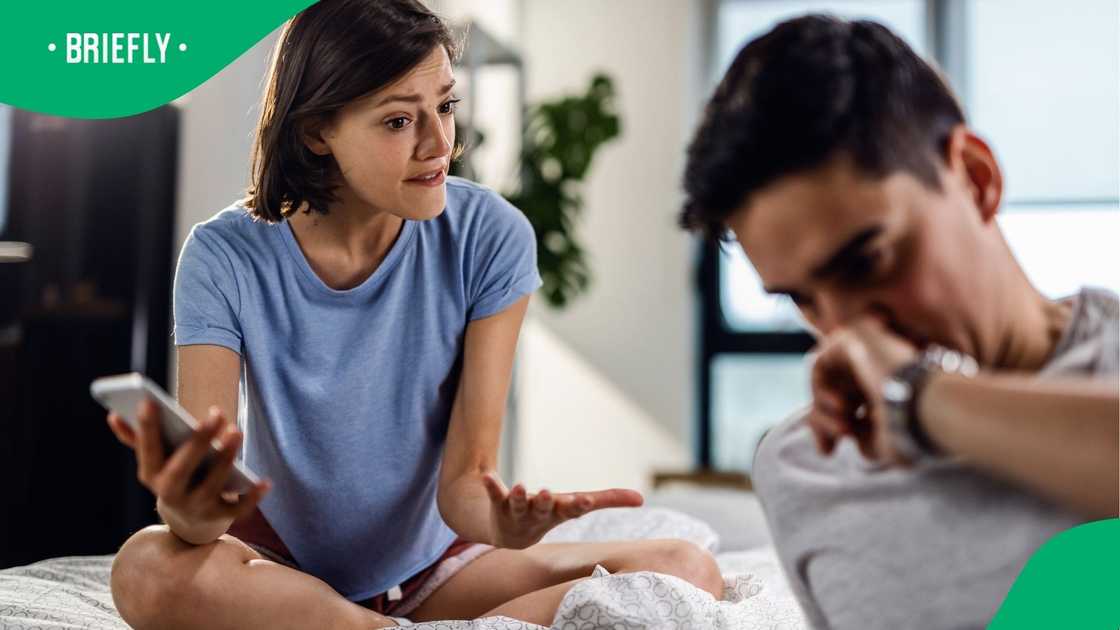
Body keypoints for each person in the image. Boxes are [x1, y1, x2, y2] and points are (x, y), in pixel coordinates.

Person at [104, 2, 723, 628]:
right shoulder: (222, 255)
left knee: (683, 567)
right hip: (277, 571)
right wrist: (186, 507)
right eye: (399, 120)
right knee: (145, 568)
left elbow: (465, 488)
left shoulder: (492, 237)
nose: (440, 145)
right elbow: (208, 505)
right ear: (317, 130)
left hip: (435, 572)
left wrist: (505, 524)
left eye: (446, 107)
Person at [680, 14, 1118, 630]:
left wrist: (915, 394)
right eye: (802, 299)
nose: (846, 333)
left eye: (869, 262)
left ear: (976, 178)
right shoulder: (804, 467)